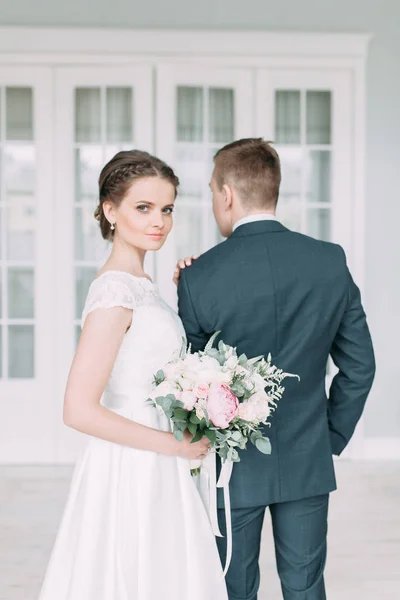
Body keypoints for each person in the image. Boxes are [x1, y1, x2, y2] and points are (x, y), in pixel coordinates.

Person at [177, 138, 376, 600]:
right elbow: (360, 366)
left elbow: (188, 374)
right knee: (305, 586)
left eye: (210, 191)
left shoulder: (199, 275)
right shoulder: (329, 261)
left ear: (226, 194)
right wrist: (330, 436)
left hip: (233, 466)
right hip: (308, 455)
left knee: (234, 587)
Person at [38, 150, 228, 600]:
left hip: (158, 452)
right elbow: (78, 409)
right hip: (133, 460)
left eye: (166, 209)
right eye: (143, 208)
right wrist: (172, 445)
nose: (158, 220)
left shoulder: (139, 284)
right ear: (110, 210)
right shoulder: (114, 290)